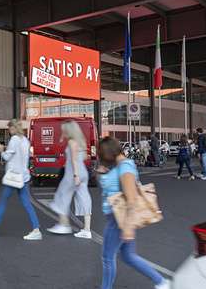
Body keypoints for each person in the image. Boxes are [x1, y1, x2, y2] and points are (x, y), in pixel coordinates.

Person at [95, 137, 170, 289]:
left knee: (107, 258)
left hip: (119, 219)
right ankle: (161, 282)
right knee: (128, 256)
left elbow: (131, 199)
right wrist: (101, 172)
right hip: (118, 217)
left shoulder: (125, 167)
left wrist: (128, 227)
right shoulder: (117, 166)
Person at [0, 120, 42, 240]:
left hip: (13, 177)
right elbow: (21, 156)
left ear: (13, 128)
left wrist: (1, 150)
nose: (8, 130)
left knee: (3, 202)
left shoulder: (14, 139)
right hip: (23, 177)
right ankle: (36, 229)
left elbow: (7, 157)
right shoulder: (25, 140)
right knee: (27, 204)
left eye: (9, 128)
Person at [47, 121, 93, 239]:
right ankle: (87, 230)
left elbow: (73, 160)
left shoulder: (72, 142)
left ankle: (64, 225)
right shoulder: (80, 141)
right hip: (83, 173)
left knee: (61, 197)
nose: (63, 131)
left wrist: (75, 175)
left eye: (64, 129)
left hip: (73, 174)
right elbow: (83, 157)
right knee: (84, 198)